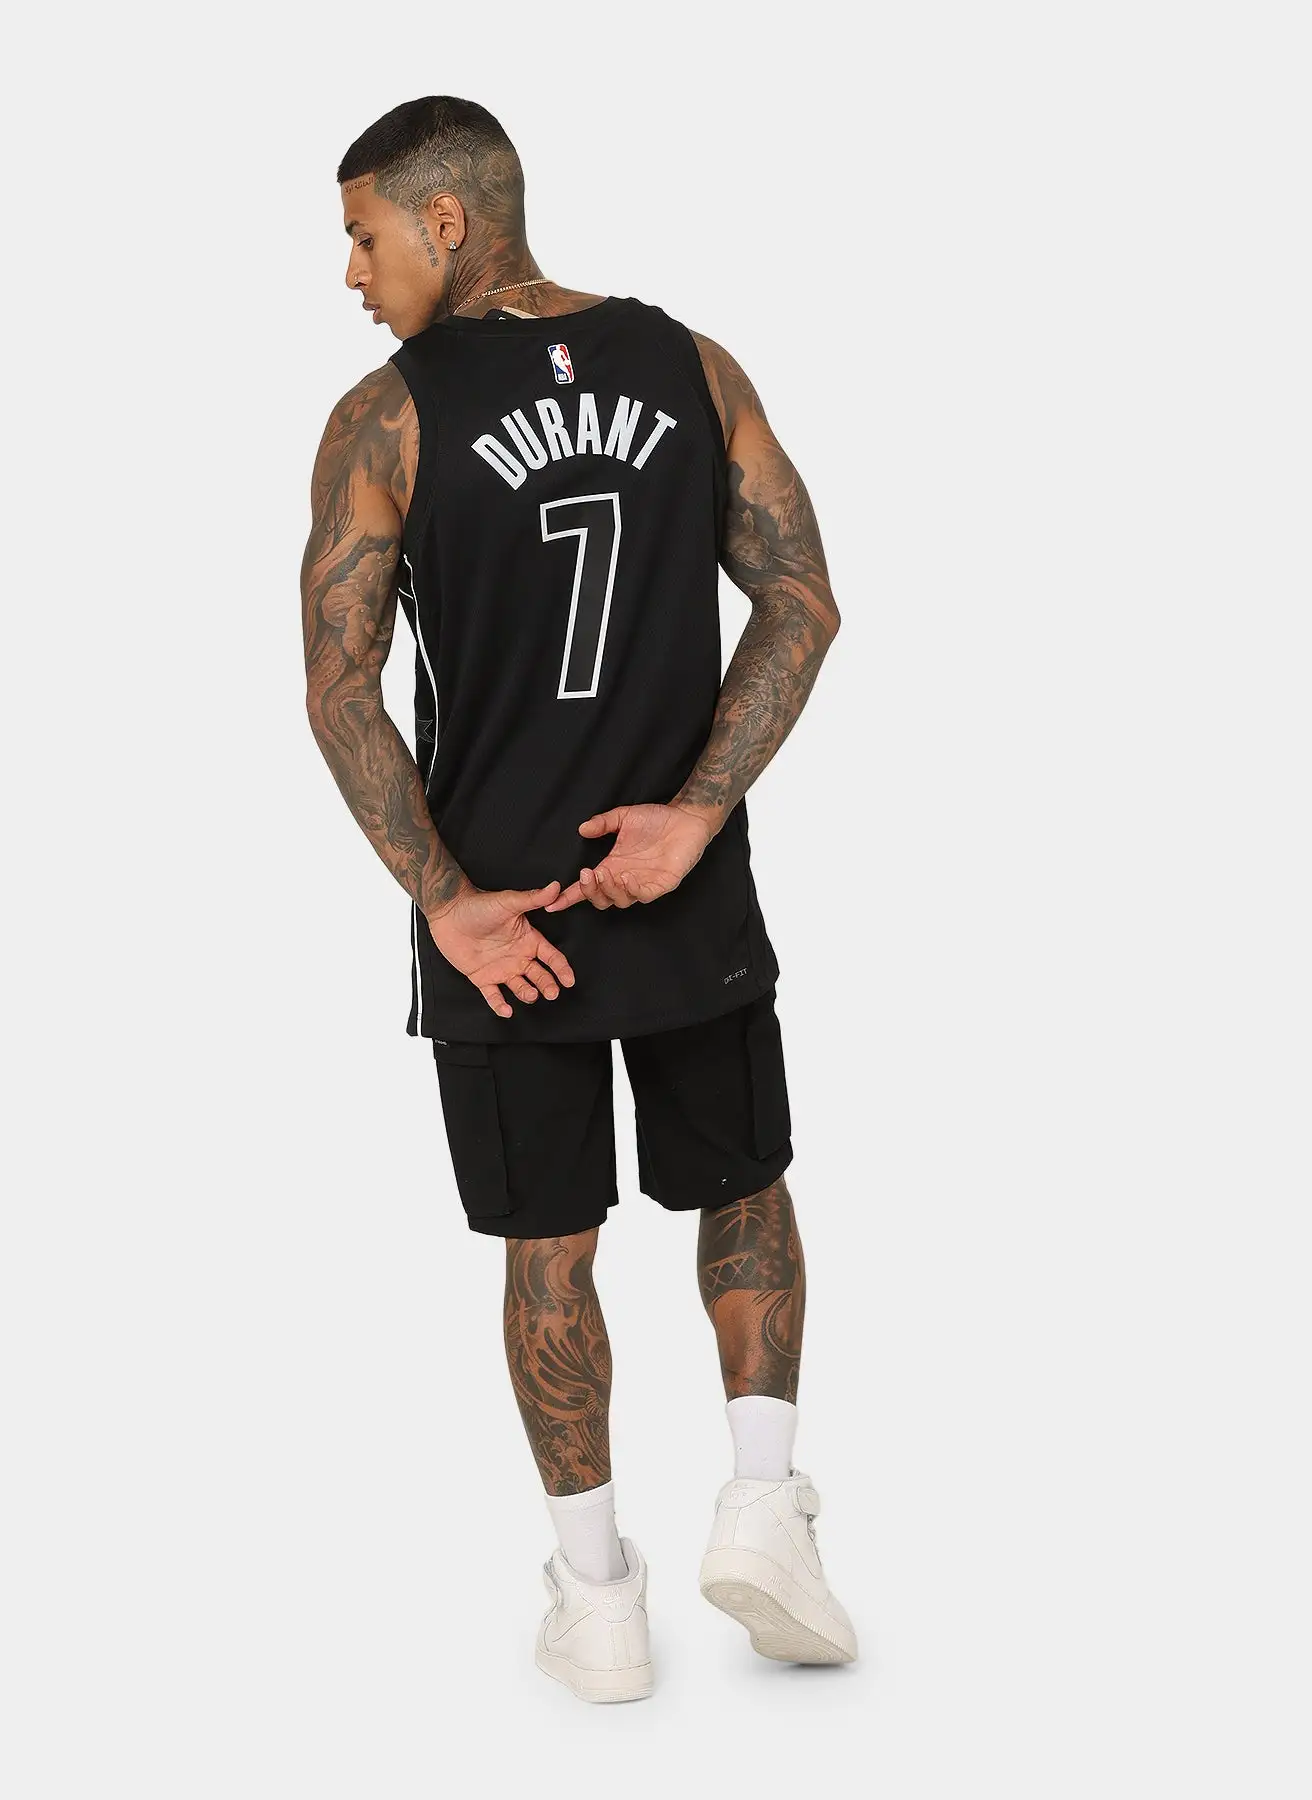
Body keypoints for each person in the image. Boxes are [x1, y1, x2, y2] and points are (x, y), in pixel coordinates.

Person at [301, 95, 856, 1702]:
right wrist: (697, 812)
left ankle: (599, 1600)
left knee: (550, 1251)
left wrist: (447, 902)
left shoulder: (384, 419)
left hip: (503, 920)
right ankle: (764, 1505)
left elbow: (339, 687)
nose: (353, 275)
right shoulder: (691, 365)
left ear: (447, 221)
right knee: (742, 1190)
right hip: (679, 884)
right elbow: (803, 598)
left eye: (365, 237)